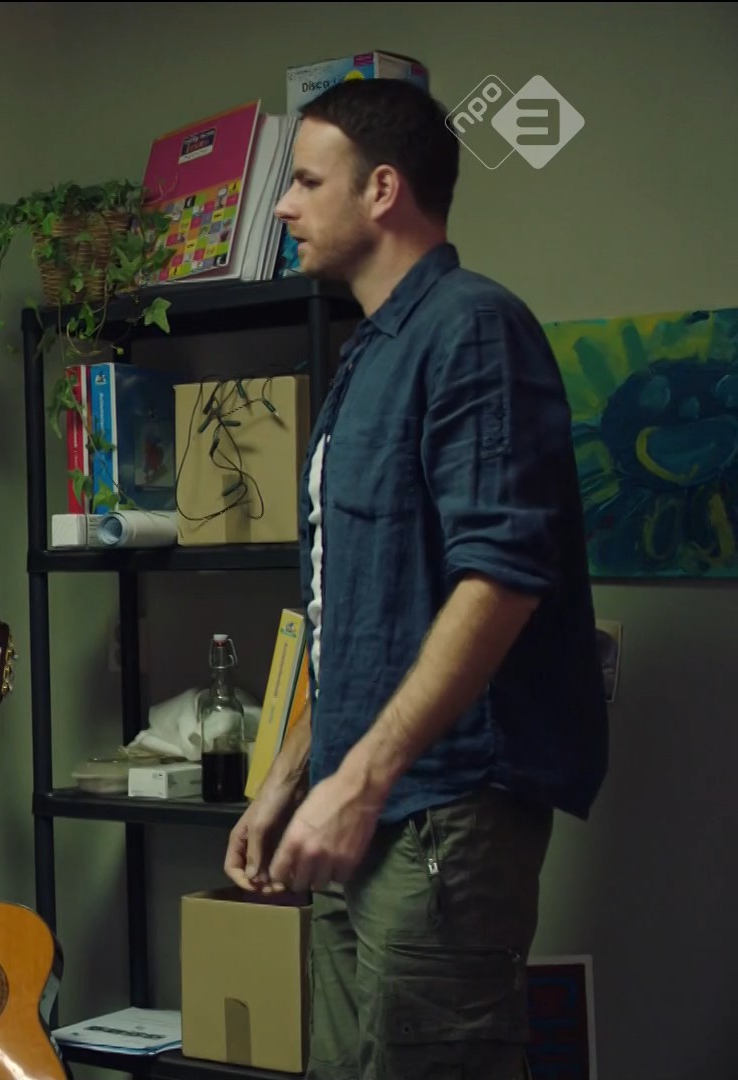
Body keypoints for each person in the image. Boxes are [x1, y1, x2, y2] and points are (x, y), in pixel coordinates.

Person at [225, 79, 608, 1080]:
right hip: (359, 806)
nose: (283, 205)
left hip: (440, 808)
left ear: (383, 189)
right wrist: (290, 779)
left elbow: (502, 579)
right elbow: (362, 618)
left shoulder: (473, 327)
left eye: (308, 181)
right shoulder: (372, 351)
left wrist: (358, 783)